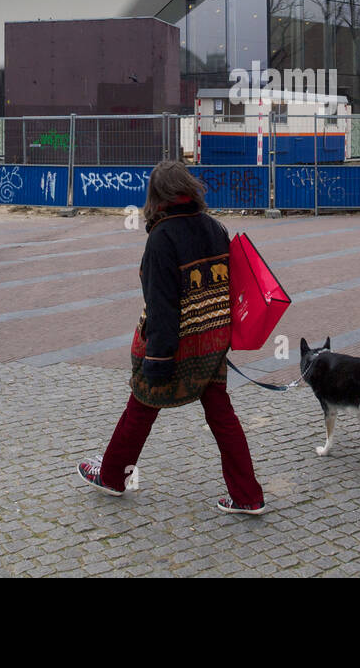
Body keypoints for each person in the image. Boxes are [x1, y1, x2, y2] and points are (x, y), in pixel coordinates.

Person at [78, 160, 265, 514]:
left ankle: (113, 476)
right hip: (212, 343)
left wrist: (157, 360)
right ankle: (248, 495)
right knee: (223, 418)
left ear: (157, 197)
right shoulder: (214, 227)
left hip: (176, 346)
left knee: (141, 405)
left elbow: (162, 307)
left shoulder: (162, 239)